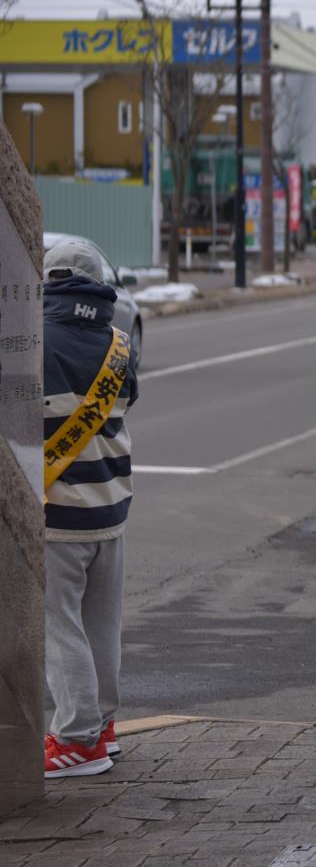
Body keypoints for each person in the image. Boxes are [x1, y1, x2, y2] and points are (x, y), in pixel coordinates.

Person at [40, 240, 139, 778]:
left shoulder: (34, 340)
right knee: (102, 625)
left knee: (61, 629)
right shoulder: (121, 343)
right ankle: (101, 726)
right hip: (111, 504)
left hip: (59, 511)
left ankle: (76, 741)